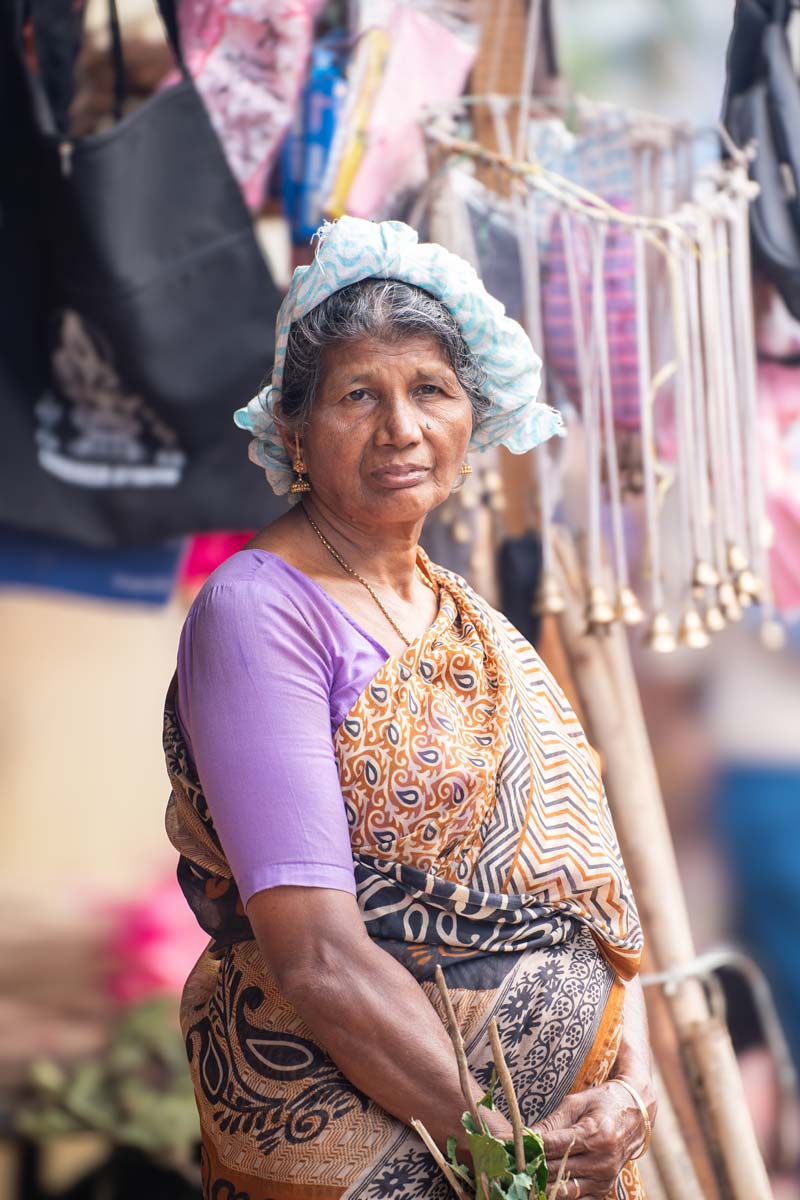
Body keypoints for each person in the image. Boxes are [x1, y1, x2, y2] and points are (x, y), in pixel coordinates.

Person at [164, 216, 655, 1200]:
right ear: (294, 431)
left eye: (428, 390)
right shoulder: (259, 612)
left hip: (559, 1154)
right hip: (379, 1140)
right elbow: (316, 956)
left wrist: (631, 1093)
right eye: (359, 395)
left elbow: (587, 910)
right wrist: (493, 1152)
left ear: (471, 414)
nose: (400, 428)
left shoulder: (463, 615)